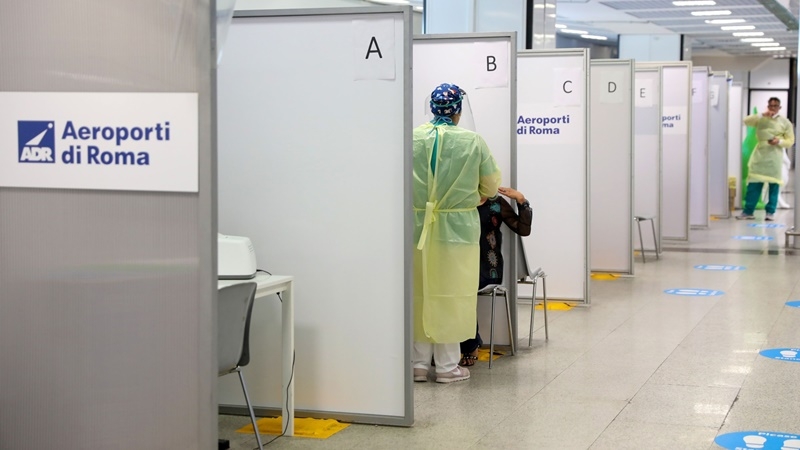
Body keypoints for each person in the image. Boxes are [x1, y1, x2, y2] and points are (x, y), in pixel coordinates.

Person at [412, 83, 501, 383]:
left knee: (420, 292)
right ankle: (448, 366)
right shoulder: (473, 142)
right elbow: (490, 187)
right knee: (450, 295)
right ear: (459, 112)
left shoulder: (411, 138)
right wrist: (470, 198)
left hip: (416, 229)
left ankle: (418, 364)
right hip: (457, 231)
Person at [459, 187, 532, 367]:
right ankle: (449, 346)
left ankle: (470, 345)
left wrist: (521, 200)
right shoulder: (459, 199)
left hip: (487, 267)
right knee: (452, 288)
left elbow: (523, 229)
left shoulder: (496, 203)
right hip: (460, 263)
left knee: (463, 292)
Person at [737, 97, 795, 221]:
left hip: (775, 155)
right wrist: (761, 114)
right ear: (768, 106)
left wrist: (779, 141)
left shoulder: (785, 122)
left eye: (775, 106)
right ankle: (748, 211)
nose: (772, 108)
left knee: (774, 186)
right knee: (754, 184)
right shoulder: (761, 118)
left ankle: (770, 212)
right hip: (760, 154)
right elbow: (746, 121)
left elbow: (790, 141)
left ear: (779, 107)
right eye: (770, 106)